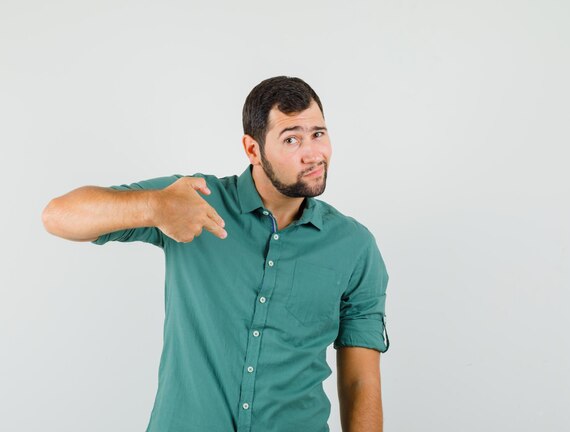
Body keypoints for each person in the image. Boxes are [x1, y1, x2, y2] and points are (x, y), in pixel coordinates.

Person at [42, 76, 390, 432]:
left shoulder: (354, 246)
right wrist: (154, 206)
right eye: (292, 139)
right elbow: (58, 216)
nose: (313, 153)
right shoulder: (189, 199)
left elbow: (359, 383)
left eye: (318, 133)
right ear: (253, 150)